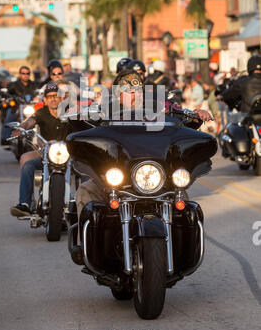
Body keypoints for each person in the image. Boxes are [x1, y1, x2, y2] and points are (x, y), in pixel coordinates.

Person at [71, 70, 213, 264]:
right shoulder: (104, 110)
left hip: (154, 176)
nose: (135, 95)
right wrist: (78, 117)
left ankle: (182, 252)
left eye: (138, 90)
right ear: (118, 94)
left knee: (182, 200)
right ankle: (82, 245)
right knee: (85, 191)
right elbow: (85, 123)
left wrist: (195, 116)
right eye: (129, 91)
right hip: (117, 177)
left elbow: (179, 119)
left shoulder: (157, 108)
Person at [10, 82, 72, 217]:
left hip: (69, 156)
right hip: (46, 156)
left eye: (55, 96)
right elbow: (30, 121)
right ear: (45, 100)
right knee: (27, 166)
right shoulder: (42, 113)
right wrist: (21, 128)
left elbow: (82, 120)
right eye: (50, 97)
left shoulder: (69, 112)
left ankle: (85, 205)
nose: (53, 99)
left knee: (85, 170)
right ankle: (25, 203)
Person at [1, 66, 37, 144]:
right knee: (9, 116)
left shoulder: (34, 85)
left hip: (31, 108)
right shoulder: (14, 85)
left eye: (27, 73)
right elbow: (6, 93)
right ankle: (5, 138)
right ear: (20, 74)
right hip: (17, 107)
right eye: (23, 73)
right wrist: (11, 97)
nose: (25, 75)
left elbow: (39, 92)